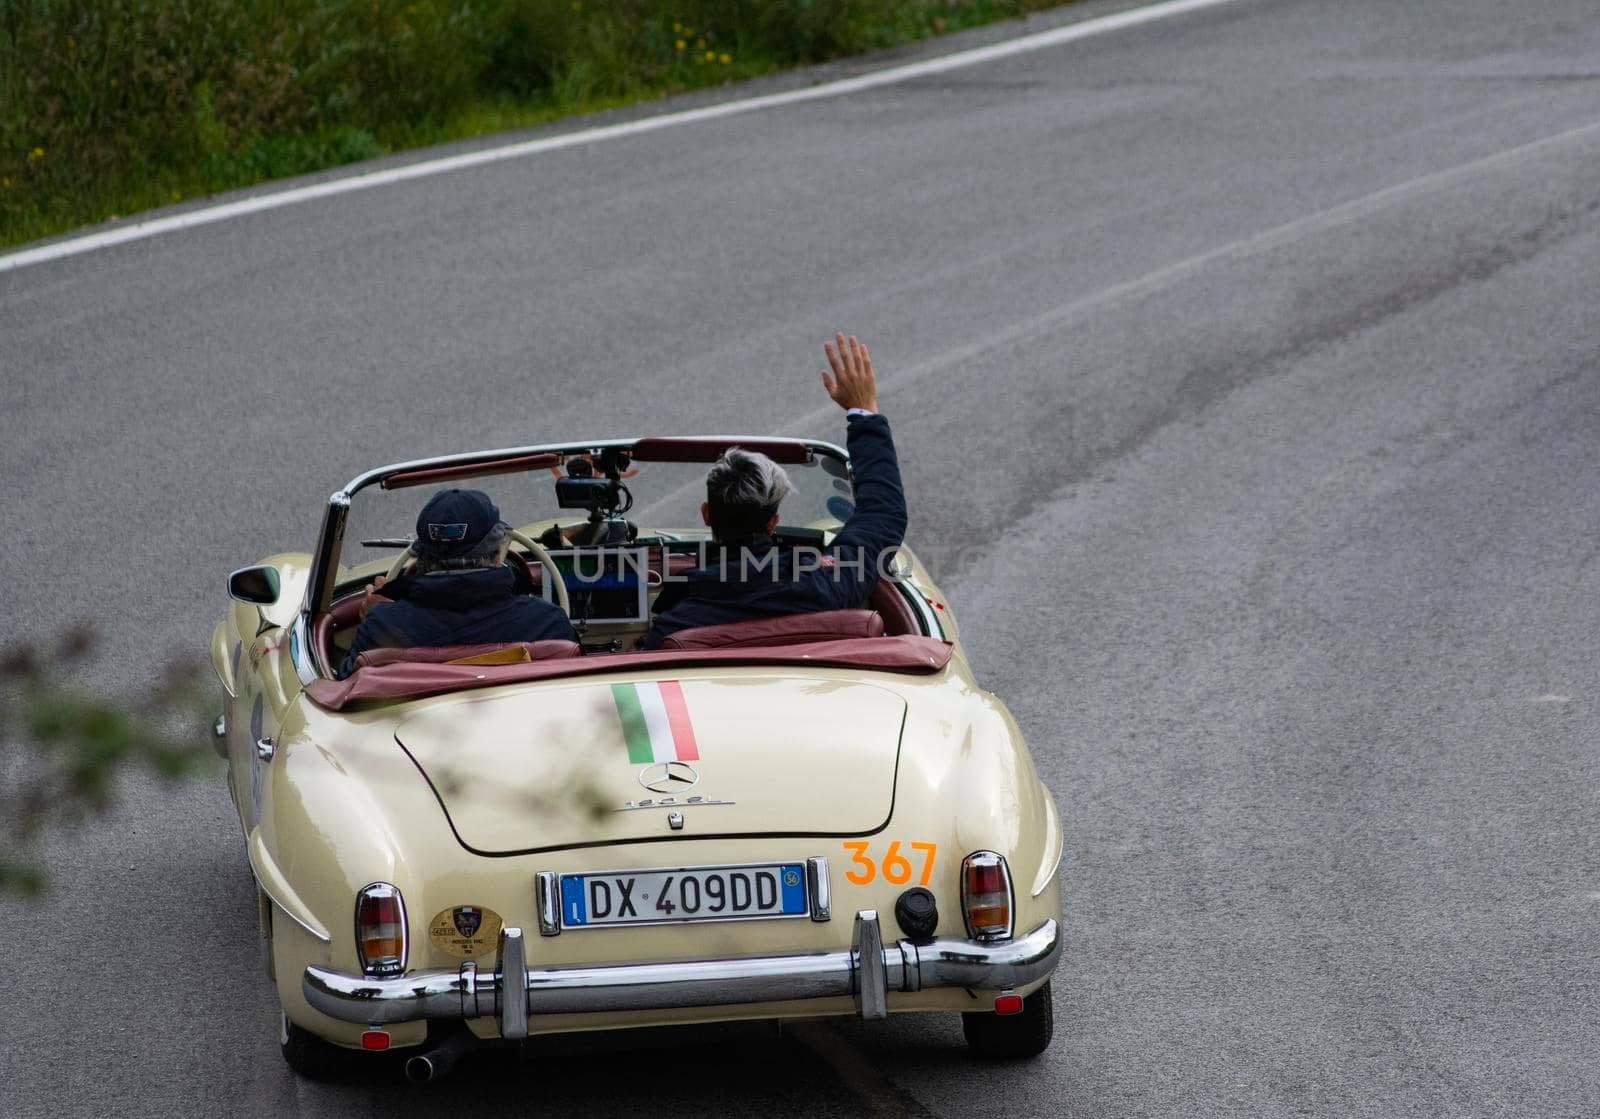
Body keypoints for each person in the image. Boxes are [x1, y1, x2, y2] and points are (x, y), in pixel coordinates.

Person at [639, 332, 907, 649]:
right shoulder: (825, 587)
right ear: (772, 523)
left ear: (707, 514)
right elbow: (882, 513)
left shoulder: (674, 628)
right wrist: (863, 412)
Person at [337, 488, 578, 677]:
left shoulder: (382, 626)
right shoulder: (547, 622)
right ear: (497, 554)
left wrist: (377, 616)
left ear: (420, 558)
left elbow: (348, 687)